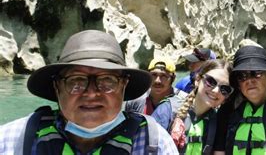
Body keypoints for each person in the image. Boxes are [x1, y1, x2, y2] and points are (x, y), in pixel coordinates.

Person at [0, 30, 178, 154]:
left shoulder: (153, 143)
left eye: (107, 80)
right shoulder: (13, 139)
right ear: (57, 87)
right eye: (76, 80)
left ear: (123, 86)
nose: (91, 93)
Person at [161, 59, 233, 154]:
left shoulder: (218, 123)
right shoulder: (167, 110)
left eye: (224, 89)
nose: (216, 91)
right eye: (211, 81)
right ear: (197, 80)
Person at [125, 56, 187, 130]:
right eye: (154, 75)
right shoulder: (135, 99)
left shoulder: (184, 101)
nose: (157, 81)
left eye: (163, 76)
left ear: (173, 79)